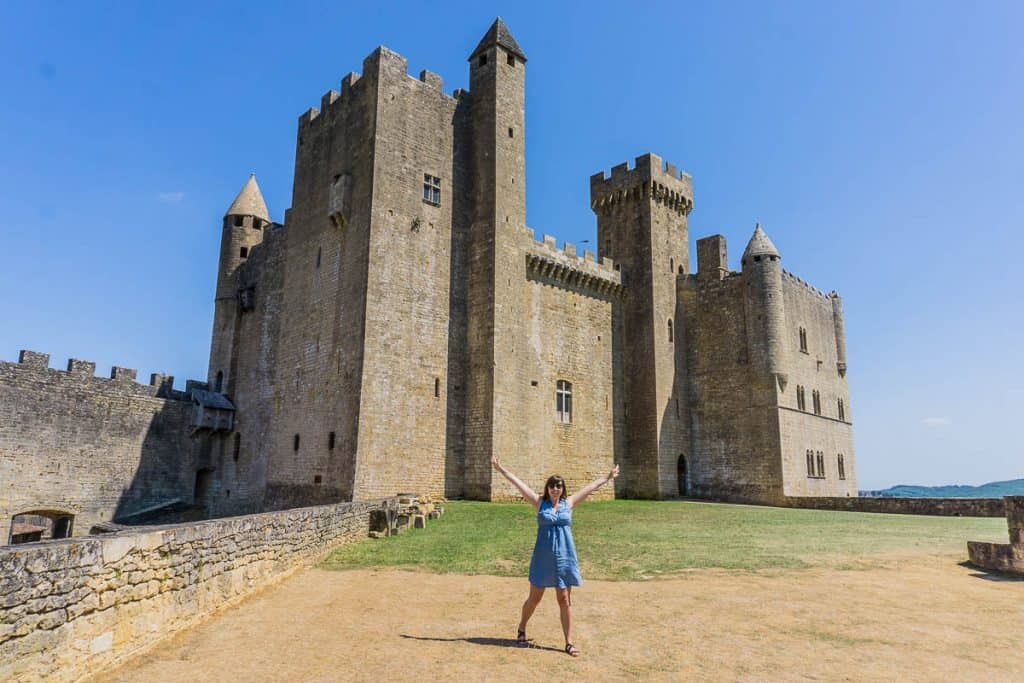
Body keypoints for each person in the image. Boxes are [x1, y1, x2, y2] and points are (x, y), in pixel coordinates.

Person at [491, 458, 620, 657]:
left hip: (565, 558)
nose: (555, 488)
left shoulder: (569, 504)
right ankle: (522, 627)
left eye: (558, 486)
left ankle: (568, 642)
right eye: (552, 485)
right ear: (547, 488)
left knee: (564, 599)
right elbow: (518, 483)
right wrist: (501, 469)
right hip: (543, 559)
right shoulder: (539, 502)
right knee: (534, 599)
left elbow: (590, 488)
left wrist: (608, 477)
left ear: (562, 489)